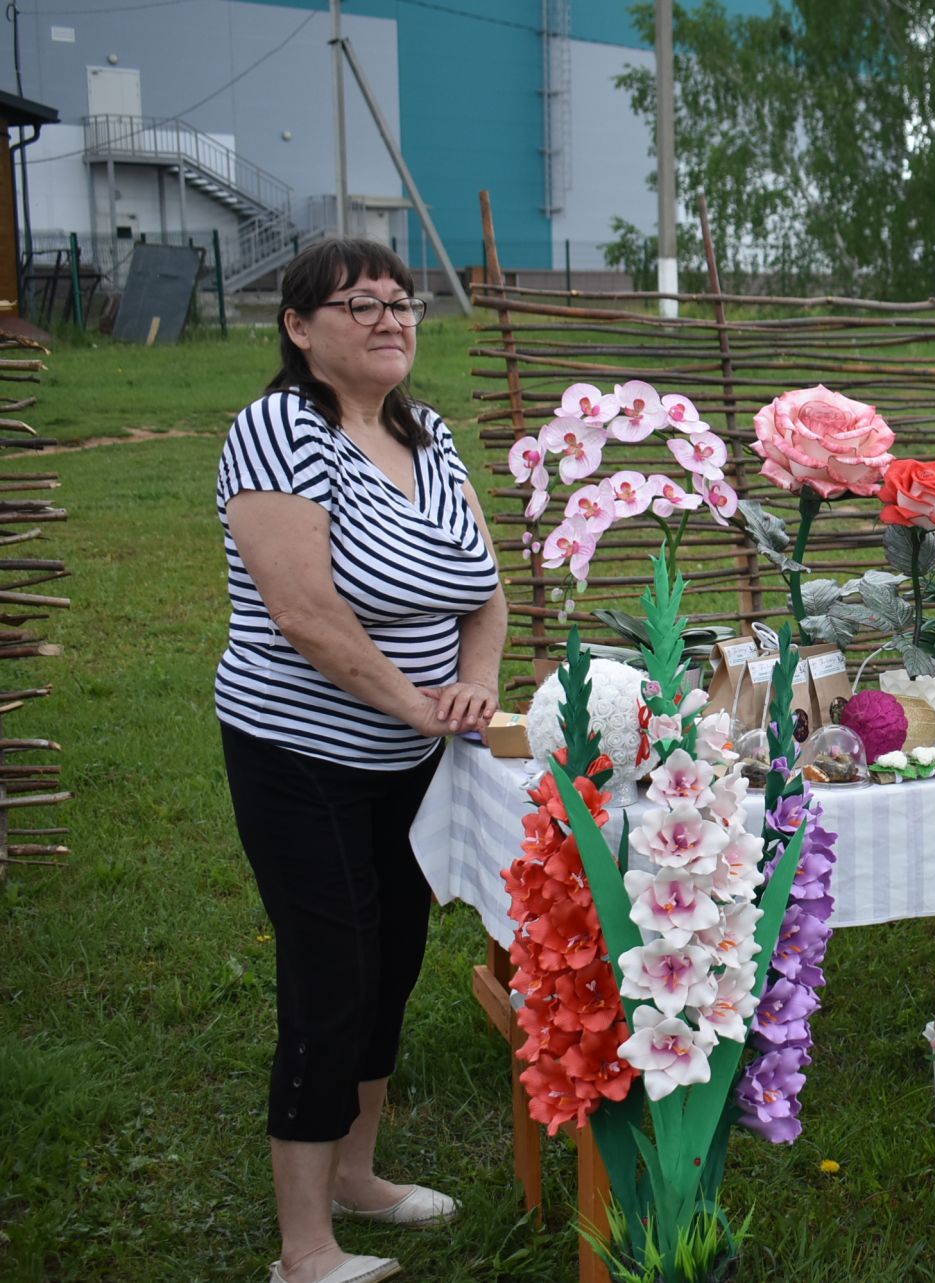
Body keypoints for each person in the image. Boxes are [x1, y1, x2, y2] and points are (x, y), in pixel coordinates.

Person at [216, 239, 506, 1283]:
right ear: (300, 328)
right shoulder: (279, 432)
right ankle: (304, 1247)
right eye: (361, 304)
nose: (391, 318)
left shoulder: (425, 437)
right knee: (330, 973)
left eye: (403, 301)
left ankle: (359, 1173)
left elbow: (485, 587)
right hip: (299, 750)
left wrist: (471, 682)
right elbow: (304, 612)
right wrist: (416, 705)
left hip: (410, 755)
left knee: (392, 963)